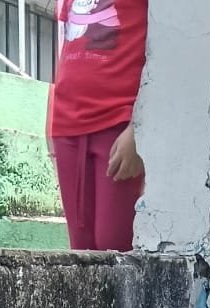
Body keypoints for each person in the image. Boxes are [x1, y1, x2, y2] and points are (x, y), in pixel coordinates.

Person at [47, 0, 147, 251]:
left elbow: (167, 47)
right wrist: (52, 123)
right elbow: (66, 49)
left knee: (114, 243)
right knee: (81, 249)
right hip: (67, 126)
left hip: (118, 124)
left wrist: (139, 127)